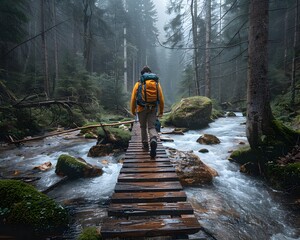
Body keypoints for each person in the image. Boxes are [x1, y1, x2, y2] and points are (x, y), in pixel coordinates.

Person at [130, 66, 164, 158]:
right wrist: (161, 111)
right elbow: (161, 98)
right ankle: (153, 139)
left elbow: (133, 98)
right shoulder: (156, 84)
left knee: (143, 126)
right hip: (153, 108)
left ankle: (145, 145)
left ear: (142, 74)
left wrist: (133, 110)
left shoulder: (139, 83)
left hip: (141, 108)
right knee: (151, 127)